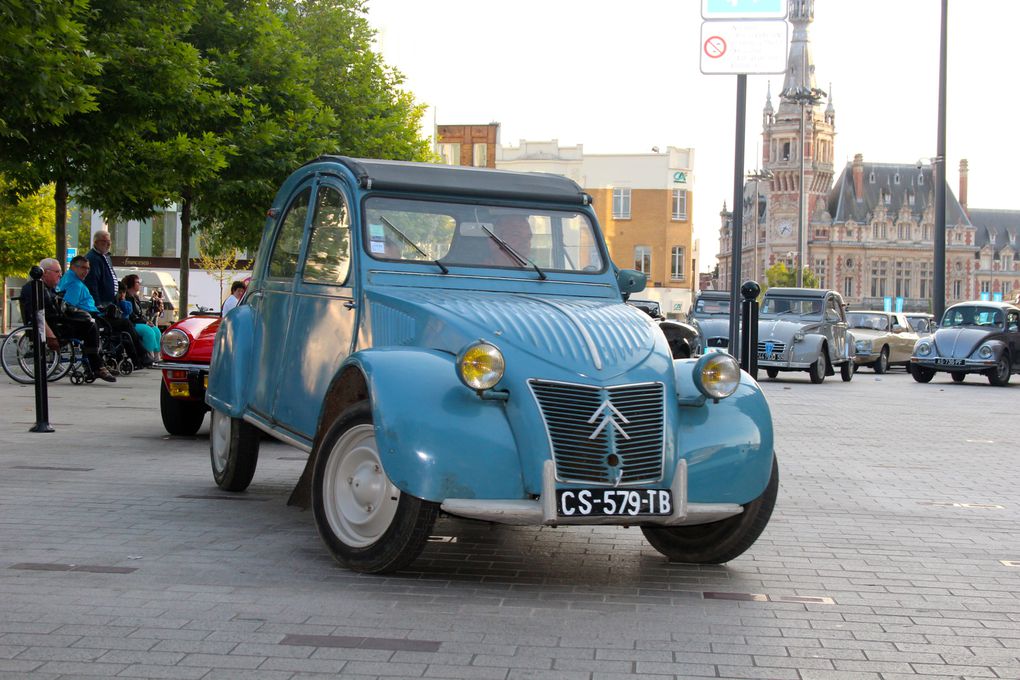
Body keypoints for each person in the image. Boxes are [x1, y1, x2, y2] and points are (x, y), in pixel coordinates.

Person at [19, 258, 115, 382]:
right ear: (45, 272)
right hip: (53, 328)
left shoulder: (48, 289)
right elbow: (37, 315)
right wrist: (50, 335)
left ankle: (96, 365)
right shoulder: (35, 289)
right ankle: (96, 366)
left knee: (91, 323)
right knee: (91, 326)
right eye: (57, 271)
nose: (60, 275)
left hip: (58, 323)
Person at [59, 256, 151, 368]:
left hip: (90, 315)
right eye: (83, 268)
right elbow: (69, 305)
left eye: (88, 268)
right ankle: (142, 357)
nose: (86, 271)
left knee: (123, 324)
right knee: (125, 324)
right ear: (73, 267)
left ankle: (139, 358)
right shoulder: (75, 285)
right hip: (88, 318)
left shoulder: (68, 279)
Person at [117, 274, 161, 362]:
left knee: (156, 330)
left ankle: (157, 356)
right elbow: (132, 315)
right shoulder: (127, 298)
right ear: (131, 284)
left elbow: (140, 313)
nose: (139, 284)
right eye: (137, 282)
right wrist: (145, 322)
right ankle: (148, 355)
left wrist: (147, 321)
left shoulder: (135, 297)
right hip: (133, 323)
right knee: (148, 332)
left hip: (140, 321)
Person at [83, 230, 118, 307]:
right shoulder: (93, 258)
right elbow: (92, 282)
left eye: (109, 241)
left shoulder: (105, 256)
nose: (108, 244)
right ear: (96, 242)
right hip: (102, 301)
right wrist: (97, 303)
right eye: (104, 241)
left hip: (109, 300)